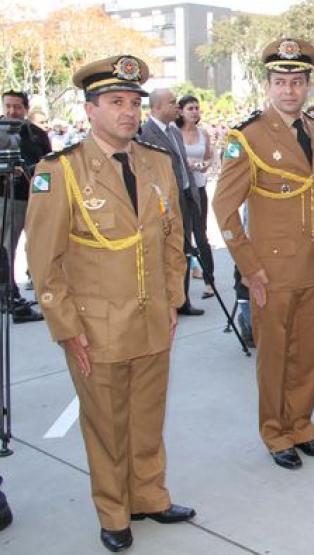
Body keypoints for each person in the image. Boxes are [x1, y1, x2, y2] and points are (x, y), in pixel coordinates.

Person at [25, 54, 195, 552]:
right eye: (115, 102)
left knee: (148, 414)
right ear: (90, 110)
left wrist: (173, 297)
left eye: (134, 103)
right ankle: (114, 511)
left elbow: (171, 238)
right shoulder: (60, 171)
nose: (128, 112)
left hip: (150, 316)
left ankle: (149, 496)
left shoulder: (156, 162)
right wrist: (65, 325)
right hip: (95, 324)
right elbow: (43, 260)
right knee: (105, 423)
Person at [213, 38, 314, 469]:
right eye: (281, 81)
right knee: (274, 357)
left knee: (308, 354)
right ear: (268, 85)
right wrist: (250, 267)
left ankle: (301, 425)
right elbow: (224, 209)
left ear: (307, 86)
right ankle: (275, 432)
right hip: (273, 270)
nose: (289, 90)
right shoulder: (246, 137)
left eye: (297, 81)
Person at [139, 88, 209, 316]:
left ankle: (182, 299)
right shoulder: (145, 133)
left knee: (183, 251)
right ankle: (167, 301)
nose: (177, 107)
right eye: (172, 103)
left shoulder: (174, 131)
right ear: (157, 107)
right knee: (166, 251)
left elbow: (182, 165)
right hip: (163, 203)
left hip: (186, 197)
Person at [0, 90, 50, 323]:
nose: (12, 111)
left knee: (41, 247)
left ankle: (43, 290)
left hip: (37, 199)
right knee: (8, 248)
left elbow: (48, 167)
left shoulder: (38, 135)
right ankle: (10, 295)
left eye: (17, 107)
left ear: (26, 108)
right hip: (8, 200)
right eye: (8, 106)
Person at [176, 94, 215, 299]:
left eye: (197, 108)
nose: (194, 112)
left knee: (201, 235)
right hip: (182, 189)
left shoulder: (204, 134)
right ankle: (183, 287)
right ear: (180, 111)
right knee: (184, 237)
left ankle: (210, 281)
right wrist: (186, 165)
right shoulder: (174, 133)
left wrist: (202, 165)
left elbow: (208, 158)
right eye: (190, 108)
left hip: (199, 188)